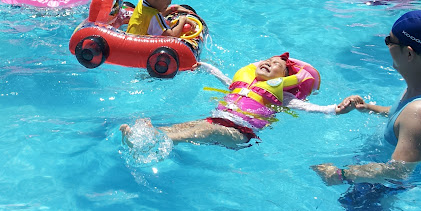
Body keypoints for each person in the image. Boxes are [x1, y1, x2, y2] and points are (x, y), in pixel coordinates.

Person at [313, 10, 421, 185]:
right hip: (379, 167)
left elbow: (399, 172)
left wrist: (339, 175)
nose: (387, 46)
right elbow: (402, 117)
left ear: (409, 54)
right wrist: (368, 108)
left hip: (385, 188)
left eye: (389, 41)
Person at [121, 53, 342, 149]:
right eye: (268, 60)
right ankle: (143, 137)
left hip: (241, 134)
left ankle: (154, 140)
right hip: (217, 120)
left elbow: (308, 107)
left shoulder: (282, 96)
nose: (269, 63)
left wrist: (334, 109)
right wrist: (206, 68)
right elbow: (224, 79)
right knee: (186, 126)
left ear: (284, 79)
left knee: (206, 130)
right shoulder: (242, 83)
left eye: (277, 65)